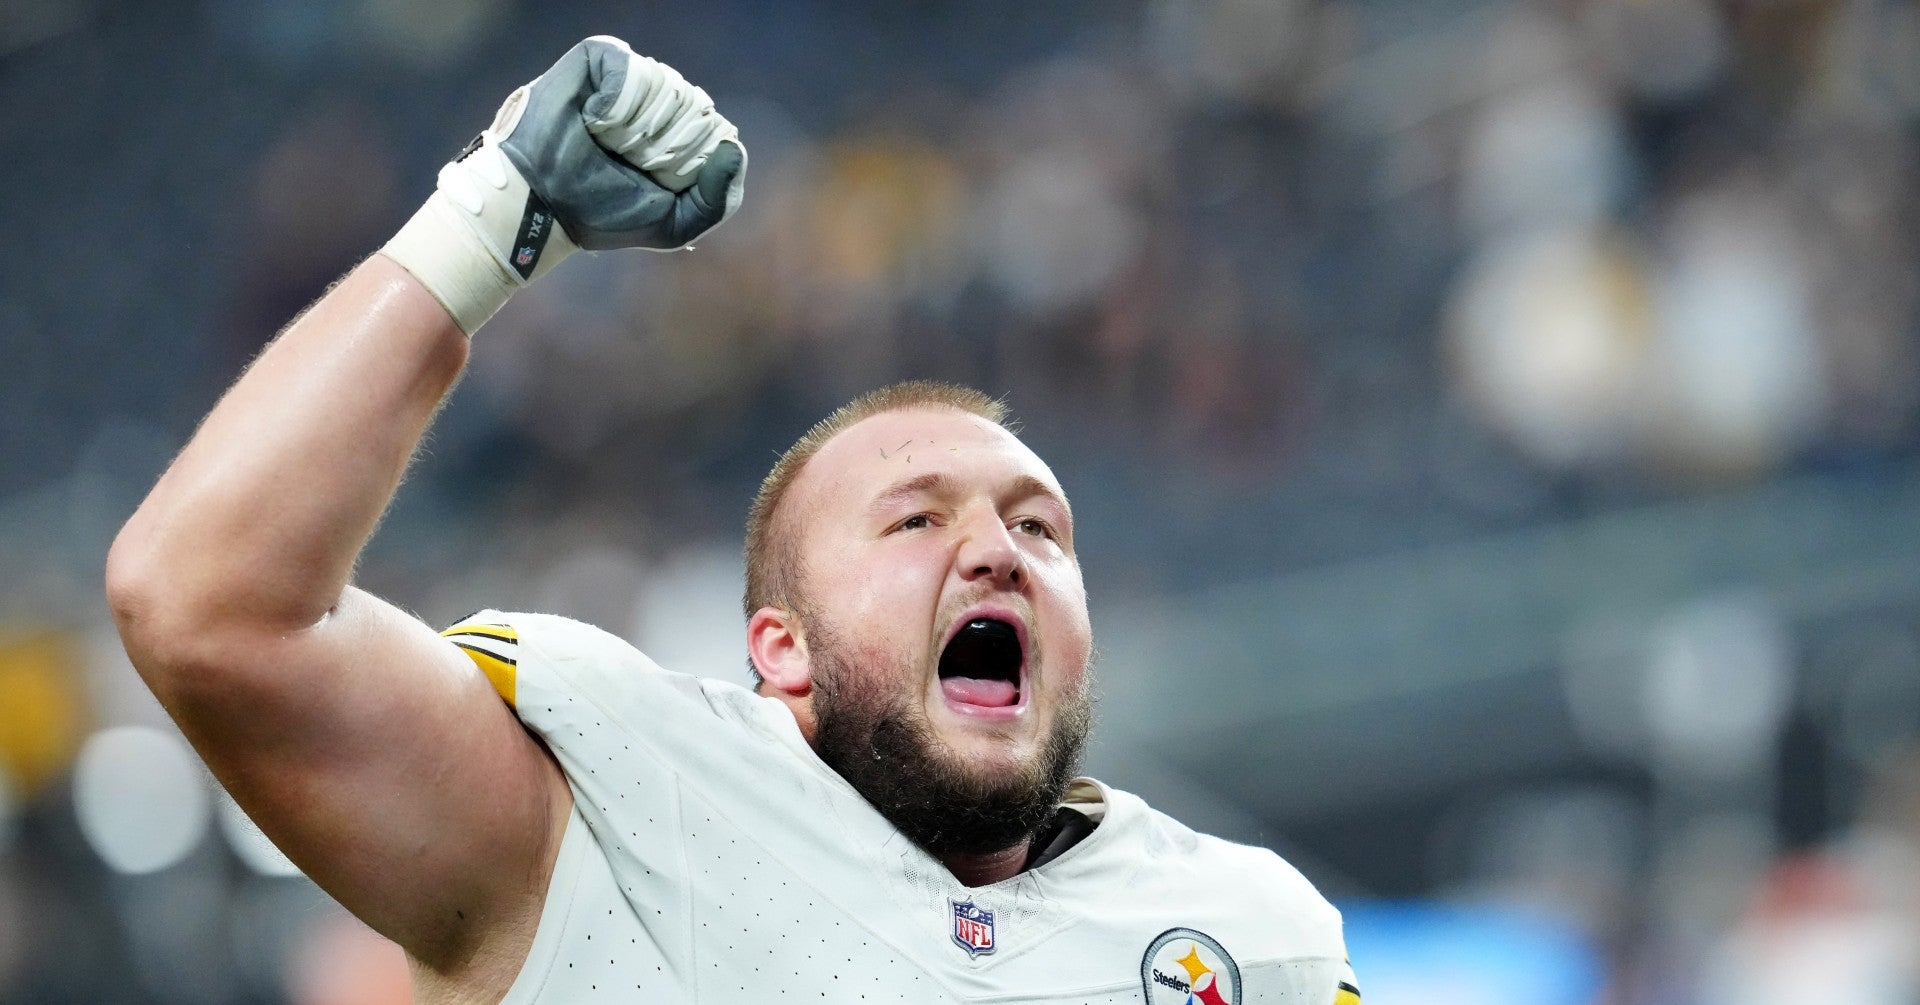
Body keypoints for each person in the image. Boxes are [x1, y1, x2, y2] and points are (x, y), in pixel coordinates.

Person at [106, 36, 1360, 1004]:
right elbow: (203, 604)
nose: (995, 549)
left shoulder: (1253, 935)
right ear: (779, 648)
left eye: (1041, 531)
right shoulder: (600, 816)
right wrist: (493, 214)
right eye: (913, 522)